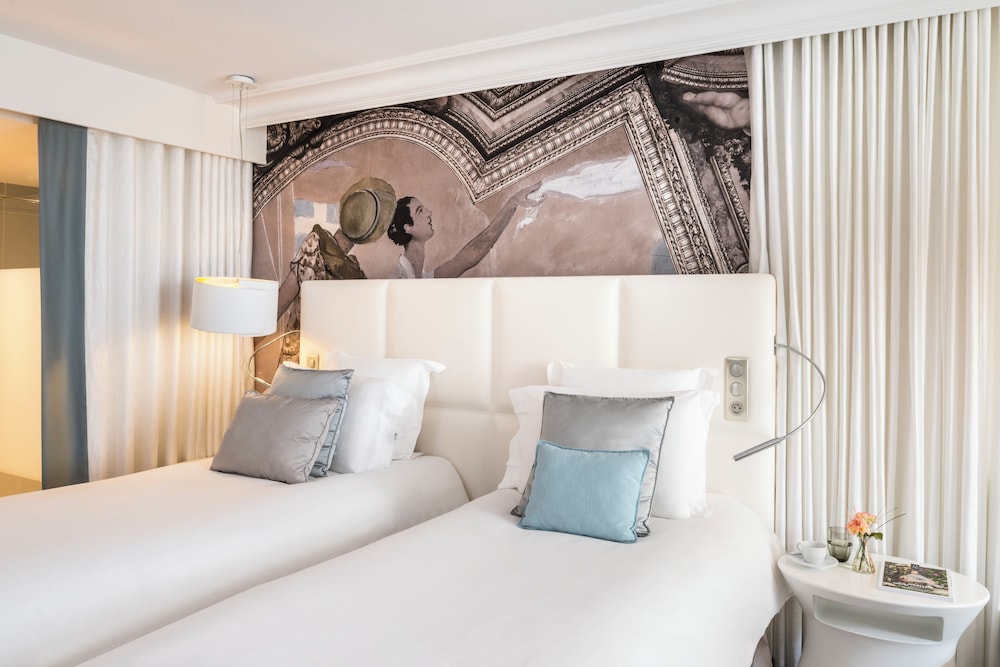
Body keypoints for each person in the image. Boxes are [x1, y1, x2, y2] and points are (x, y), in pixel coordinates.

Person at [386, 182, 540, 279]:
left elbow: (474, 251)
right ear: (407, 228)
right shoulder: (398, 280)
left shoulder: (423, 279)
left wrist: (512, 203)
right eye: (420, 211)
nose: (429, 213)